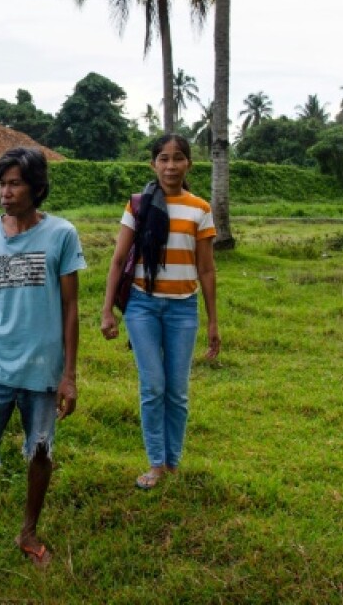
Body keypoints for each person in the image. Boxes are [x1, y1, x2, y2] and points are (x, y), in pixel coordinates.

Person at [0, 147, 86, 596]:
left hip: (42, 370)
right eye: (1, 184)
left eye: (15, 183)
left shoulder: (62, 234)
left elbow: (70, 306)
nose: (5, 193)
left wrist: (69, 375)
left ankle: (28, 532)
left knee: (40, 454)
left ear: (36, 187)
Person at [100, 134, 219, 489]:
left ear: (189, 164)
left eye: (178, 158)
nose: (171, 166)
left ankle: (173, 463)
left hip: (184, 309)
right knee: (153, 386)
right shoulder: (138, 206)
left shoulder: (200, 208)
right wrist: (108, 310)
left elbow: (207, 269)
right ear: (153, 164)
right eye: (163, 159)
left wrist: (213, 321)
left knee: (177, 391)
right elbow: (119, 259)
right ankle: (155, 463)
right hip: (142, 306)